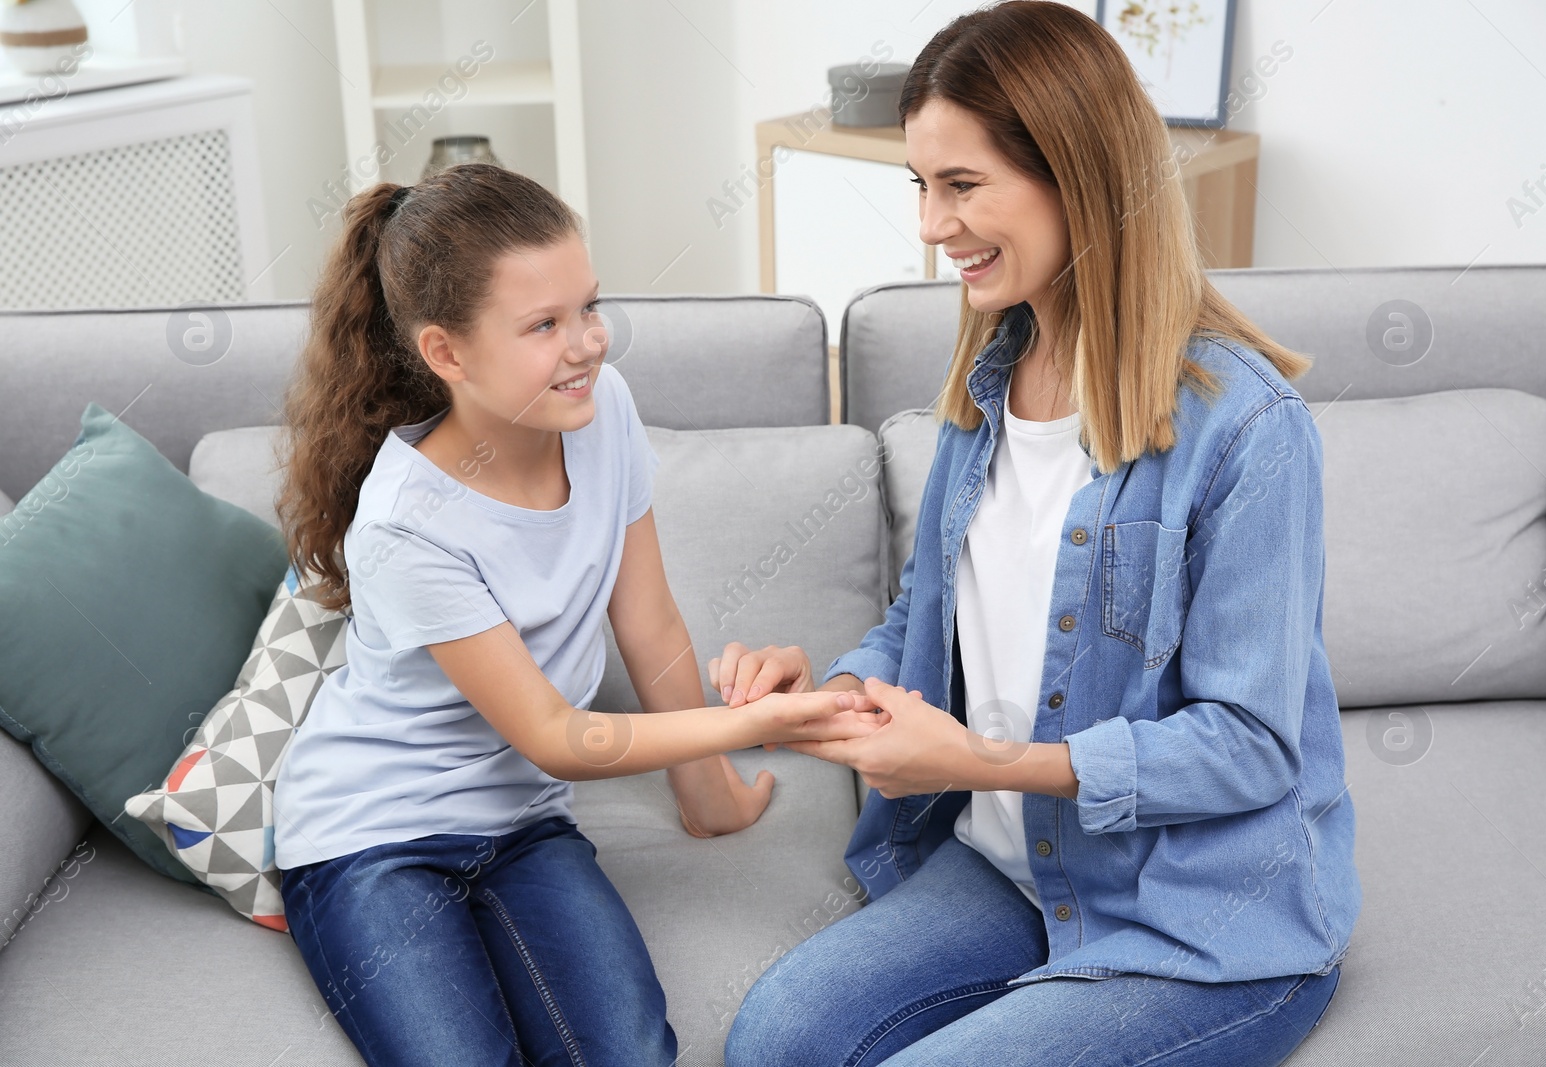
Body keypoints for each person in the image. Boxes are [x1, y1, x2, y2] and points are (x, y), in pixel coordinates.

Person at [717, 4, 1360, 1065]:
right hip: (1015, 869)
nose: (930, 224)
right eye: (919, 186)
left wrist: (981, 757)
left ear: (1078, 176)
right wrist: (829, 693)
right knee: (772, 1039)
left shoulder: (1248, 430)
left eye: (962, 186)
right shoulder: (982, 390)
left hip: (1198, 923)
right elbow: (932, 616)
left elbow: (1249, 745)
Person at [269, 162, 882, 1067]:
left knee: (629, 1054)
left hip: (521, 829)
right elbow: (556, 736)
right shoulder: (409, 522)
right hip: (373, 840)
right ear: (446, 353)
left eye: (587, 308)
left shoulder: (601, 411)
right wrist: (752, 720)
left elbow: (650, 623)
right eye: (543, 325)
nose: (586, 344)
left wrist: (709, 793)